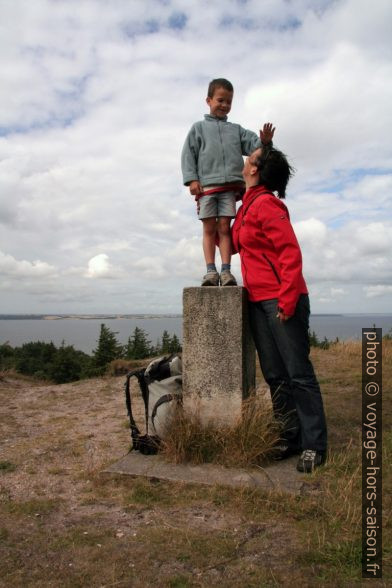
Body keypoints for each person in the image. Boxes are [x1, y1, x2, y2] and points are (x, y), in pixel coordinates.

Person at [231, 146, 328, 473]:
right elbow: (233, 245)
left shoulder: (268, 205)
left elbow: (290, 254)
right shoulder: (247, 207)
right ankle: (289, 437)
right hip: (258, 302)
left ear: (255, 169)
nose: (245, 161)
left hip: (282, 300)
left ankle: (315, 446)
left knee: (298, 375)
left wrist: (286, 301)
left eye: (250, 158)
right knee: (275, 376)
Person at [181, 77, 274, 287]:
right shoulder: (198, 128)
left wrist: (265, 142)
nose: (224, 105)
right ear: (209, 100)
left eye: (228, 102)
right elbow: (189, 154)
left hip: (230, 188)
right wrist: (192, 179)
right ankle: (210, 272)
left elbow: (254, 146)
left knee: (224, 227)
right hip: (206, 187)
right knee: (209, 228)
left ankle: (226, 271)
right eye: (220, 100)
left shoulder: (236, 130)